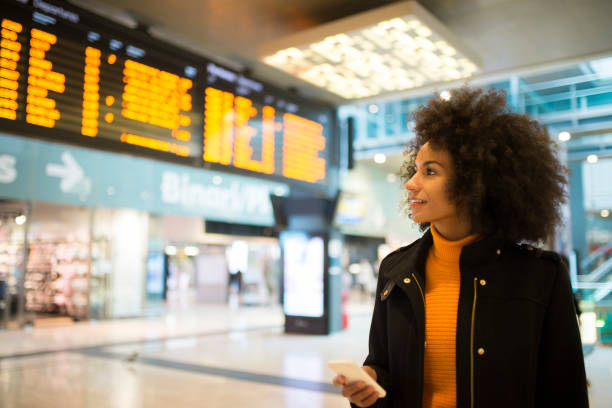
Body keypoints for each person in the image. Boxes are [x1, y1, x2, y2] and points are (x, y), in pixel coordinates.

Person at [333, 87, 588, 408]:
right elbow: (383, 368)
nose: (411, 183)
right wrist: (370, 384)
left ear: (475, 183)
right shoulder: (396, 270)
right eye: (416, 168)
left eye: (430, 171)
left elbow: (565, 392)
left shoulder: (540, 276)